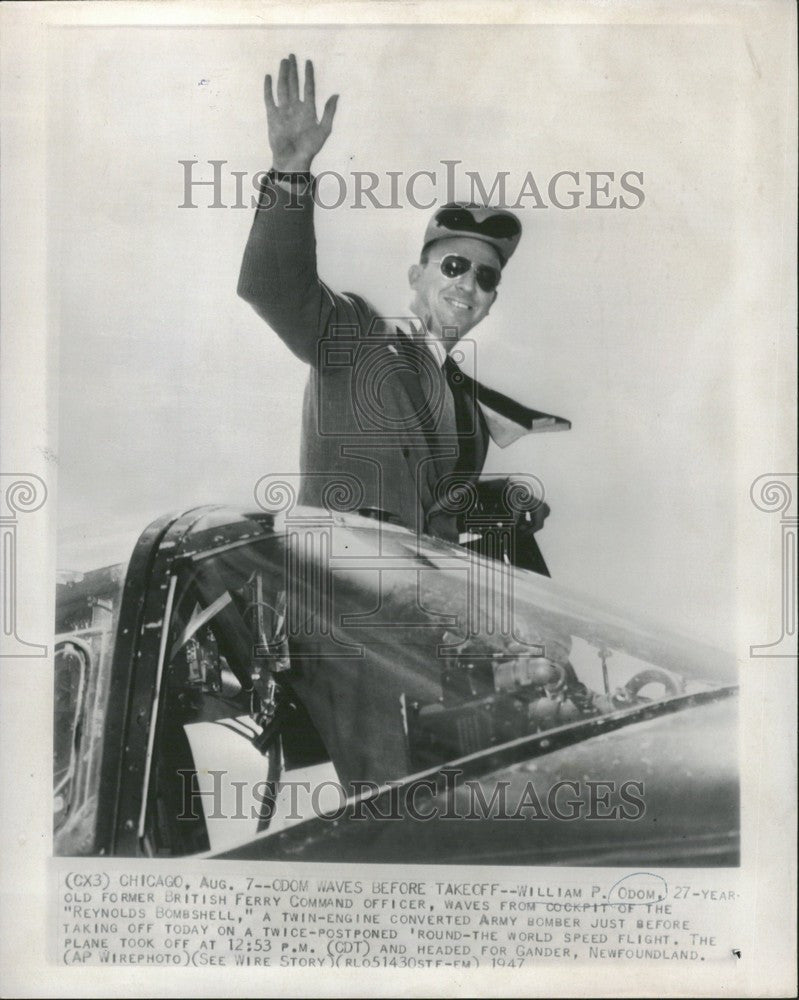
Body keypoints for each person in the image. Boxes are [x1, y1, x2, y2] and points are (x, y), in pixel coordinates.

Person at [238, 55, 562, 569]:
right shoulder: (357, 334)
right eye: (454, 265)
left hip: (417, 620)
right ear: (416, 278)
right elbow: (274, 288)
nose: (467, 283)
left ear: (490, 300)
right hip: (339, 606)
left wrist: (500, 501)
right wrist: (290, 173)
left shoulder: (468, 412)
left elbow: (435, 520)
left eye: (485, 276)